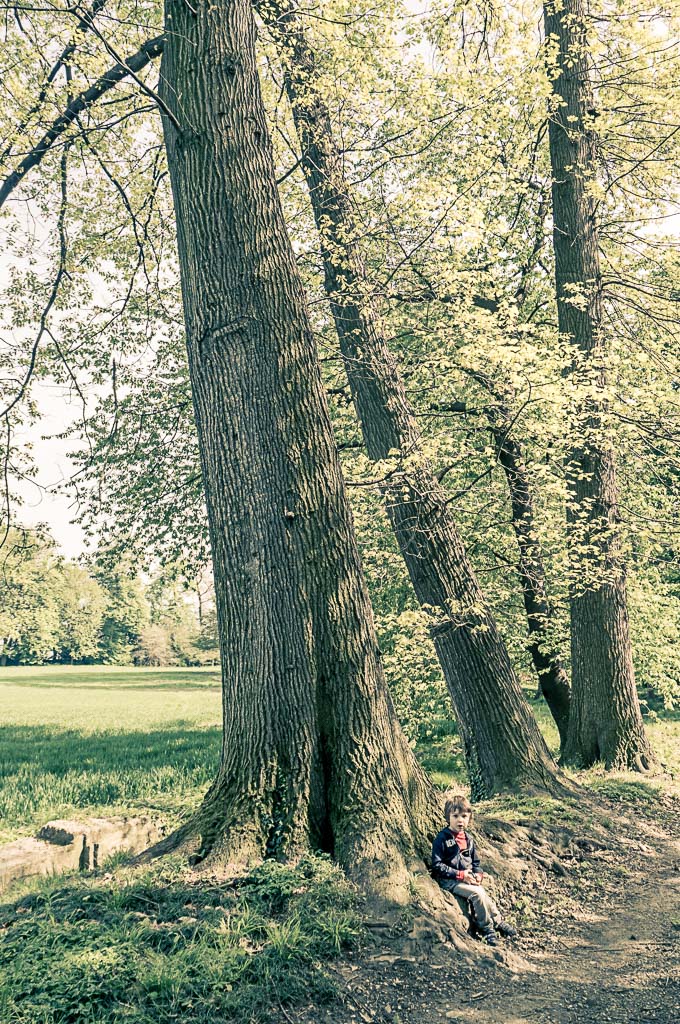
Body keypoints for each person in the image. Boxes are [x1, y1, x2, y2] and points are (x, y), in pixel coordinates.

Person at [431, 794, 517, 947]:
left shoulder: (468, 839)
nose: (460, 820)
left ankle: (498, 921)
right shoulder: (442, 839)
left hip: (467, 877)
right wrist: (460, 874)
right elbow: (437, 865)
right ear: (447, 817)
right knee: (477, 894)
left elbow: (476, 862)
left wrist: (478, 874)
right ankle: (486, 928)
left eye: (464, 816)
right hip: (450, 881)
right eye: (455, 816)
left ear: (469, 818)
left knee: (481, 891)